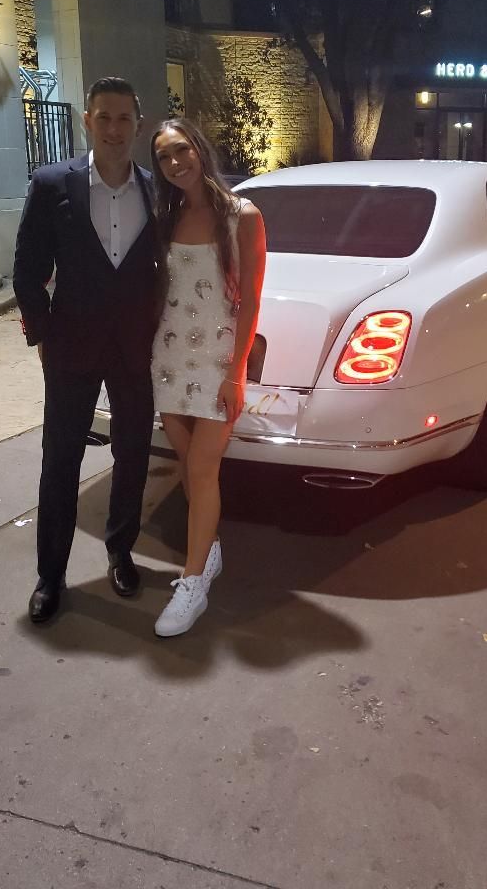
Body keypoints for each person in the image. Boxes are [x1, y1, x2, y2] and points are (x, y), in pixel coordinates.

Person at [13, 77, 158, 623]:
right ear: (87, 121)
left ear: (138, 125)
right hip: (71, 348)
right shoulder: (53, 184)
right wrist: (42, 334)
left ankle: (120, 551)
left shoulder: (155, 190)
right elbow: (27, 270)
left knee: (133, 454)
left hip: (133, 350)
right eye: (105, 117)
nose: (115, 129)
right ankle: (50, 575)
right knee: (61, 462)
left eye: (124, 119)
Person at [150, 118, 266, 637]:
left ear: (199, 148)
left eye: (182, 151)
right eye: (164, 157)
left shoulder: (242, 216)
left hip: (217, 362)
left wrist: (237, 373)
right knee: (186, 462)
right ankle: (209, 548)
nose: (176, 164)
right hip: (168, 359)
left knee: (202, 470)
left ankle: (193, 580)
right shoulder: (166, 215)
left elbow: (252, 303)